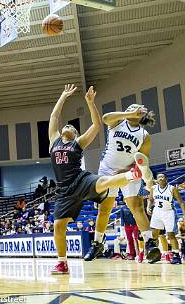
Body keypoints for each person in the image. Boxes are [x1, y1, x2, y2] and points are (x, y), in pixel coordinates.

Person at [49, 84, 152, 274]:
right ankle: (62, 263)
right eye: (67, 125)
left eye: (72, 126)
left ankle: (132, 174)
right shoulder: (53, 140)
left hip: (80, 180)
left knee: (104, 181)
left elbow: (97, 125)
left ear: (76, 135)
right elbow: (54, 117)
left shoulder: (78, 143)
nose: (68, 126)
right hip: (63, 191)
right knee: (58, 226)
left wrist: (90, 103)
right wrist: (63, 96)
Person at [84, 104, 159, 263]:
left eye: (137, 108)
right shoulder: (117, 122)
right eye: (131, 107)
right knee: (104, 209)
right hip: (107, 170)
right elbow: (105, 118)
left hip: (129, 171)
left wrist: (129, 172)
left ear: (141, 115)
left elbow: (142, 159)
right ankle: (97, 243)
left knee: (137, 207)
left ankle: (149, 243)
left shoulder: (144, 135)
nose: (133, 108)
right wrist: (128, 112)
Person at [147, 173, 185, 264]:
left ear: (166, 179)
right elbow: (151, 199)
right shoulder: (153, 188)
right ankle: (155, 254)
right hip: (157, 212)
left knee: (171, 235)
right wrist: (148, 206)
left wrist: (184, 214)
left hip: (169, 212)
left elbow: (181, 202)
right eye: (159, 177)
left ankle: (176, 256)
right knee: (154, 235)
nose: (161, 178)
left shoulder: (172, 189)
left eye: (162, 177)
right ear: (157, 179)